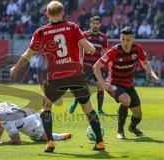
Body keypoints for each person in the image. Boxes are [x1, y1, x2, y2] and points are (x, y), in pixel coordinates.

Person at [10, 1, 105, 152]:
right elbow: (89, 48)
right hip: (76, 75)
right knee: (87, 107)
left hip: (56, 77)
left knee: (47, 107)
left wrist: (15, 68)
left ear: (47, 14)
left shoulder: (40, 32)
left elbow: (27, 55)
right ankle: (100, 142)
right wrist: (92, 49)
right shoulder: (73, 27)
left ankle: (50, 142)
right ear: (62, 13)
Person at [93, 27, 160, 139]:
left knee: (138, 114)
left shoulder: (138, 49)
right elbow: (96, 67)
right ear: (120, 38)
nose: (125, 42)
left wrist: (152, 72)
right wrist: (103, 83)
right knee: (126, 100)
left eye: (128, 40)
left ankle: (132, 127)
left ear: (133, 39)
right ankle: (120, 132)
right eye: (123, 39)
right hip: (114, 83)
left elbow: (145, 62)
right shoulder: (114, 51)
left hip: (129, 84)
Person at [0, 100, 72, 145]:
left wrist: (1, 143)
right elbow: (0, 122)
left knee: (42, 139)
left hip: (33, 125)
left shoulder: (5, 119)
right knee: (6, 125)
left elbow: (17, 141)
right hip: (31, 113)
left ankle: (62, 136)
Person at [69, 16, 108, 115]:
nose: (95, 25)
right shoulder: (84, 35)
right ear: (90, 24)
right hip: (86, 65)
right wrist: (79, 62)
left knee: (100, 86)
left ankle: (100, 110)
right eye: (93, 23)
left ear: (100, 25)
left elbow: (105, 52)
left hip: (98, 66)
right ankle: (74, 103)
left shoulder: (103, 37)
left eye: (97, 23)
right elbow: (80, 50)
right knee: (83, 87)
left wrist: (105, 64)